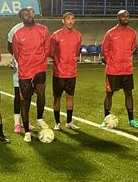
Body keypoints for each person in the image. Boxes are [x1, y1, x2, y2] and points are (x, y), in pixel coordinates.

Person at [9, 7, 50, 142]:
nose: (27, 15)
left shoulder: (43, 30)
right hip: (25, 71)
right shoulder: (17, 34)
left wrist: (39, 61)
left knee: (41, 93)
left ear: (32, 14)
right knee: (24, 100)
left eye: (29, 13)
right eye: (24, 15)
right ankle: (26, 130)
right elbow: (16, 52)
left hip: (39, 68)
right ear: (21, 18)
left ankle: (39, 118)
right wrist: (26, 63)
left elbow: (47, 49)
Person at [101, 10, 138, 128]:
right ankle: (106, 119)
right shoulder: (110, 33)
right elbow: (105, 50)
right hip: (113, 70)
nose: (126, 18)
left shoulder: (132, 33)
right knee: (109, 94)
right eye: (123, 16)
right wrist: (111, 62)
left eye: (128, 16)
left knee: (129, 93)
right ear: (118, 18)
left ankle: (131, 120)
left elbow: (132, 49)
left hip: (127, 70)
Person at [50, 11, 82, 130]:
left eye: (72, 19)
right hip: (58, 73)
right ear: (63, 21)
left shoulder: (78, 35)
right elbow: (51, 53)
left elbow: (77, 51)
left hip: (71, 73)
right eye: (68, 19)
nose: (70, 21)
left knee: (70, 97)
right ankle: (57, 123)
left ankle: (69, 122)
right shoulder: (56, 35)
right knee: (57, 98)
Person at [7, 22, 35, 134]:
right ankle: (17, 123)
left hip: (31, 68)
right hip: (19, 68)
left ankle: (25, 122)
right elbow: (10, 47)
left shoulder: (35, 29)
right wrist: (17, 58)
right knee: (18, 96)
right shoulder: (15, 29)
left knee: (27, 96)